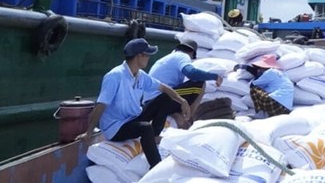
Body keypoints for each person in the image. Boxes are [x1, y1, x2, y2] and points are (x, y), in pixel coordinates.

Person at [76, 38, 191, 169]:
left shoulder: (141, 75)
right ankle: (156, 166)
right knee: (145, 127)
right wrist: (89, 132)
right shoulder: (114, 76)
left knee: (164, 98)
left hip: (131, 118)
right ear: (139, 56)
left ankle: (154, 137)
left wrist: (182, 101)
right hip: (116, 128)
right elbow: (101, 105)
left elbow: (164, 88)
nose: (149, 58)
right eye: (147, 55)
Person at [143, 40, 223, 129]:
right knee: (200, 83)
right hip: (160, 99)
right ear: (191, 52)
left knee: (183, 89)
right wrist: (215, 76)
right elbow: (192, 73)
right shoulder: (182, 56)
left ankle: (175, 113)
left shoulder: (167, 58)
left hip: (150, 102)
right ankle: (187, 118)